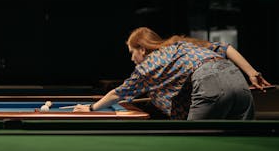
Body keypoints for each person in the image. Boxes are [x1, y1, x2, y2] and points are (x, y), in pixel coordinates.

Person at [74, 27, 272, 120]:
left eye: (132, 53)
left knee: (191, 141)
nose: (132, 59)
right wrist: (252, 73)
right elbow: (226, 49)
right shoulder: (181, 44)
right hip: (236, 78)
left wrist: (91, 108)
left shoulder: (148, 65)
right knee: (239, 138)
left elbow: (119, 93)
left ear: (142, 49)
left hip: (209, 82)